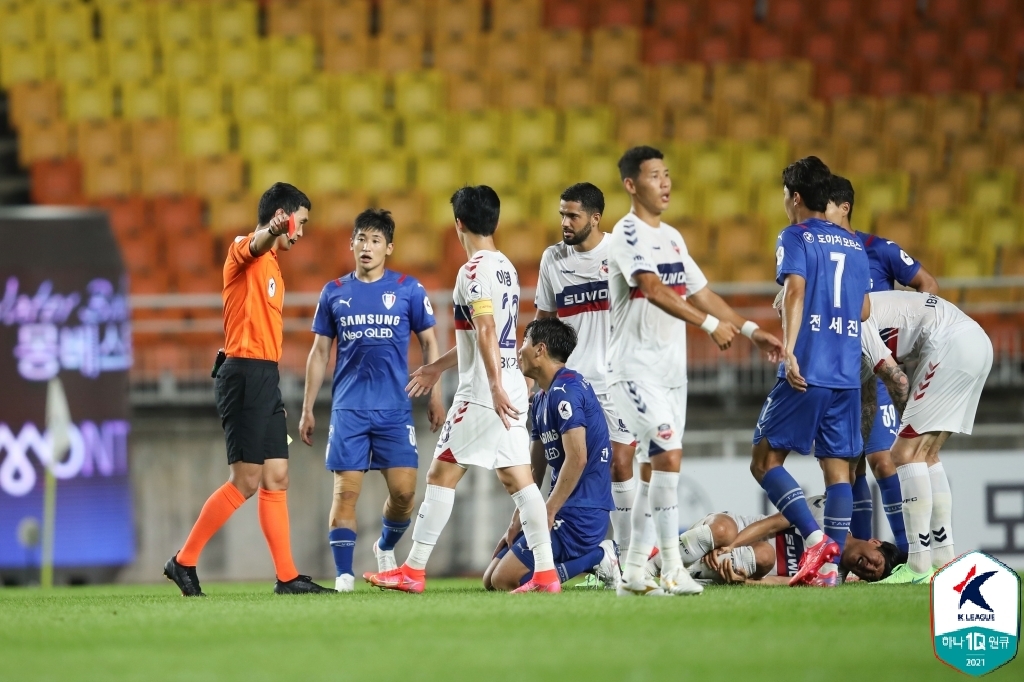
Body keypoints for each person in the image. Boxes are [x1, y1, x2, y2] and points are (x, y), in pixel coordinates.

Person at [607, 146, 784, 596]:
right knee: (667, 456)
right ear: (631, 184)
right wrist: (708, 326)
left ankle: (632, 571)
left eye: (667, 175)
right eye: (653, 176)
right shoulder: (627, 233)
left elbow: (701, 291)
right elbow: (650, 287)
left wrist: (749, 330)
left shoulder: (672, 237)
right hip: (634, 369)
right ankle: (670, 568)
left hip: (672, 373)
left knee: (657, 470)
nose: (664, 183)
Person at [367, 185, 560, 594]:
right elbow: (482, 338)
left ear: (458, 224)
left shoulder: (471, 271)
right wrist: (437, 367)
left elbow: (487, 330)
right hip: (509, 382)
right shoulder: (505, 267)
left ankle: (414, 570)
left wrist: (490, 386)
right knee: (519, 480)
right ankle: (545, 573)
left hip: (484, 392)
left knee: (441, 473)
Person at [164, 182, 332, 596]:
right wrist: (272, 231)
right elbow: (255, 243)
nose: (302, 232)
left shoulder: (274, 264)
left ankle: (288, 578)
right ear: (284, 215)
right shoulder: (247, 247)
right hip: (243, 374)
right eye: (301, 223)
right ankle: (183, 561)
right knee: (246, 480)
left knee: (277, 475)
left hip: (265, 377)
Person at [298, 209, 445, 592]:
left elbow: (430, 342)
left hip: (394, 409)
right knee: (346, 493)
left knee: (405, 494)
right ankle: (344, 575)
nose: (367, 246)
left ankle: (384, 546)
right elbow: (318, 352)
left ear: (389, 247)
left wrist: (436, 396)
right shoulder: (334, 291)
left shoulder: (408, 289)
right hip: (349, 409)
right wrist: (307, 407)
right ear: (351, 244)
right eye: (361, 238)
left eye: (376, 240)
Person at [750, 157, 871, 588]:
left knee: (765, 461)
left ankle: (817, 539)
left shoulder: (795, 236)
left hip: (810, 367)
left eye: (785, 195)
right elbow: (864, 309)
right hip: (846, 373)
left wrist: (791, 351)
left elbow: (797, 288)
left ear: (795, 197)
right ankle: (829, 571)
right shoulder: (855, 244)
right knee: (840, 472)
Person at [533, 182, 647, 573]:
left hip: (616, 381)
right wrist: (538, 382)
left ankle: (632, 558)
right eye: (562, 213)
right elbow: (543, 324)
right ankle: (601, 556)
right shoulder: (553, 259)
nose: (565, 222)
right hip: (570, 383)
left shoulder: (622, 252)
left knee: (619, 462)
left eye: (573, 215)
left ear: (595, 218)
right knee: (571, 467)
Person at [826, 176, 939, 553]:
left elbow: (928, 284)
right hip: (840, 372)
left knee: (883, 459)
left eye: (823, 204)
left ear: (843, 207)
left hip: (878, 369)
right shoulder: (820, 251)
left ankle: (909, 552)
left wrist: (911, 341)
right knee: (850, 464)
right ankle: (862, 556)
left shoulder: (878, 248)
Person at [861, 290, 993, 583]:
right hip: (977, 343)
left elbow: (897, 378)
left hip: (950, 345)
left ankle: (918, 566)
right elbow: (869, 393)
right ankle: (944, 559)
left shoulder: (853, 320)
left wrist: (904, 422)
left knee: (902, 454)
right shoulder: (861, 307)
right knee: (927, 454)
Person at [483, 318, 619, 591]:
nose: (519, 350)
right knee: (490, 579)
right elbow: (534, 470)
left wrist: (548, 510)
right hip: (560, 509)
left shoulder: (566, 391)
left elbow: (577, 457)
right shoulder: (543, 399)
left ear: (539, 349)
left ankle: (600, 556)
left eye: (524, 342)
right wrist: (518, 519)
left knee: (504, 580)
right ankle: (580, 562)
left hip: (581, 513)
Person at [644, 496, 907, 585]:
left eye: (872, 575)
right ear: (874, 542)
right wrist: (731, 545)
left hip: (751, 564)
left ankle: (676, 572)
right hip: (742, 532)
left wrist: (743, 583)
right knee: (723, 529)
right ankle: (650, 567)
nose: (869, 568)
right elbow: (773, 524)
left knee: (765, 556)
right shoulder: (829, 512)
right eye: (877, 562)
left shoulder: (830, 578)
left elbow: (782, 582)